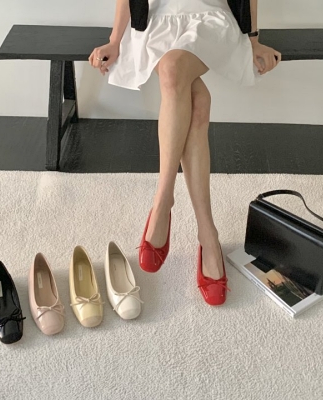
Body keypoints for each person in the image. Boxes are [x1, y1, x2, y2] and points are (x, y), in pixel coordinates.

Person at [89, 0, 281, 306]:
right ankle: (207, 234)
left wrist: (254, 40)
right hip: (157, 22)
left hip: (211, 20)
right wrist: (114, 40)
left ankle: (163, 200)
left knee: (174, 69)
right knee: (197, 103)